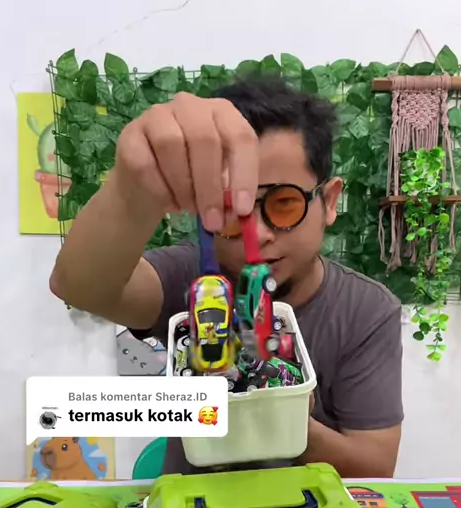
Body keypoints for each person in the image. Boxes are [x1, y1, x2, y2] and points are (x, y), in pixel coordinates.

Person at [50, 77, 403, 478]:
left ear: (330, 200)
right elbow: (79, 286)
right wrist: (131, 189)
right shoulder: (194, 278)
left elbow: (374, 468)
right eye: (233, 214)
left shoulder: (366, 311)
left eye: (284, 204)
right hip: (192, 507)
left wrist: (283, 414)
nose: (260, 233)